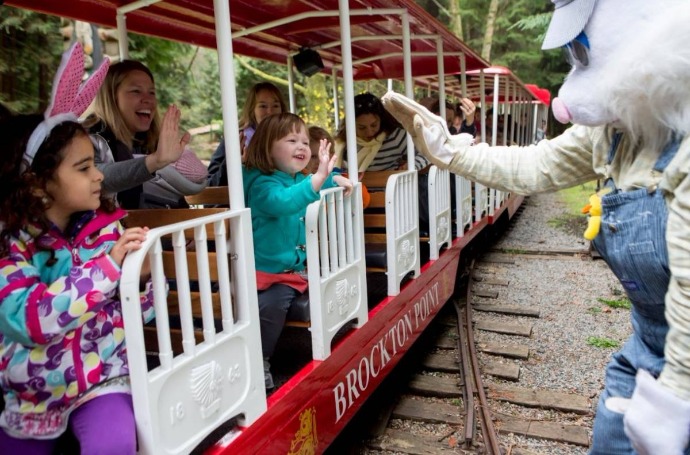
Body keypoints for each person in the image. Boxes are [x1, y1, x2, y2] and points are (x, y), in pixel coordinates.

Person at [382, 1, 690, 453]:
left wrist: (677, 392)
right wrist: (450, 151)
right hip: (651, 346)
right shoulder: (615, 126)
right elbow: (539, 163)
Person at [0, 43, 154, 453]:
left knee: (115, 443)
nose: (98, 177)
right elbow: (30, 320)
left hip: (101, 379)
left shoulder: (107, 229)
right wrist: (108, 269)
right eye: (84, 168)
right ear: (38, 182)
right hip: (34, 392)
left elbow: (142, 312)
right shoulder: (11, 247)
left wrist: (142, 282)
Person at [243, 113, 352, 389]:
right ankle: (261, 360)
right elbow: (286, 201)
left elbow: (309, 185)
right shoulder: (261, 185)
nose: (302, 146)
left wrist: (334, 179)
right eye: (292, 140)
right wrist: (317, 179)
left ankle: (338, 337)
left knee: (334, 283)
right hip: (270, 274)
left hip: (297, 269)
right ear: (267, 147)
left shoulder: (293, 179)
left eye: (305, 141)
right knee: (270, 307)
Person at [84, 60, 206, 209]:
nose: (147, 100)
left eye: (152, 92)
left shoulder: (148, 141)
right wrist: (155, 161)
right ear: (111, 96)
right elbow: (96, 177)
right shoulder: (89, 138)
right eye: (136, 91)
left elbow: (196, 178)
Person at [207, 82, 287, 187]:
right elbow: (211, 184)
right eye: (263, 106)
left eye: (275, 106)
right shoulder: (236, 139)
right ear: (252, 110)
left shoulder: (292, 139)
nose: (270, 111)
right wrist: (233, 164)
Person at [334, 92, 428, 172]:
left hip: (387, 191)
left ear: (381, 119)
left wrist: (413, 165)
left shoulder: (395, 137)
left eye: (374, 125)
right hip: (356, 192)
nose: (369, 132)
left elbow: (428, 152)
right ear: (350, 125)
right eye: (362, 128)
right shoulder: (343, 143)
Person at [308, 125, 370, 208]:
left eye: (323, 155)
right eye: (313, 156)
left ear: (332, 155)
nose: (319, 161)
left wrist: (355, 185)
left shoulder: (340, 176)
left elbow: (364, 202)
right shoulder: (301, 178)